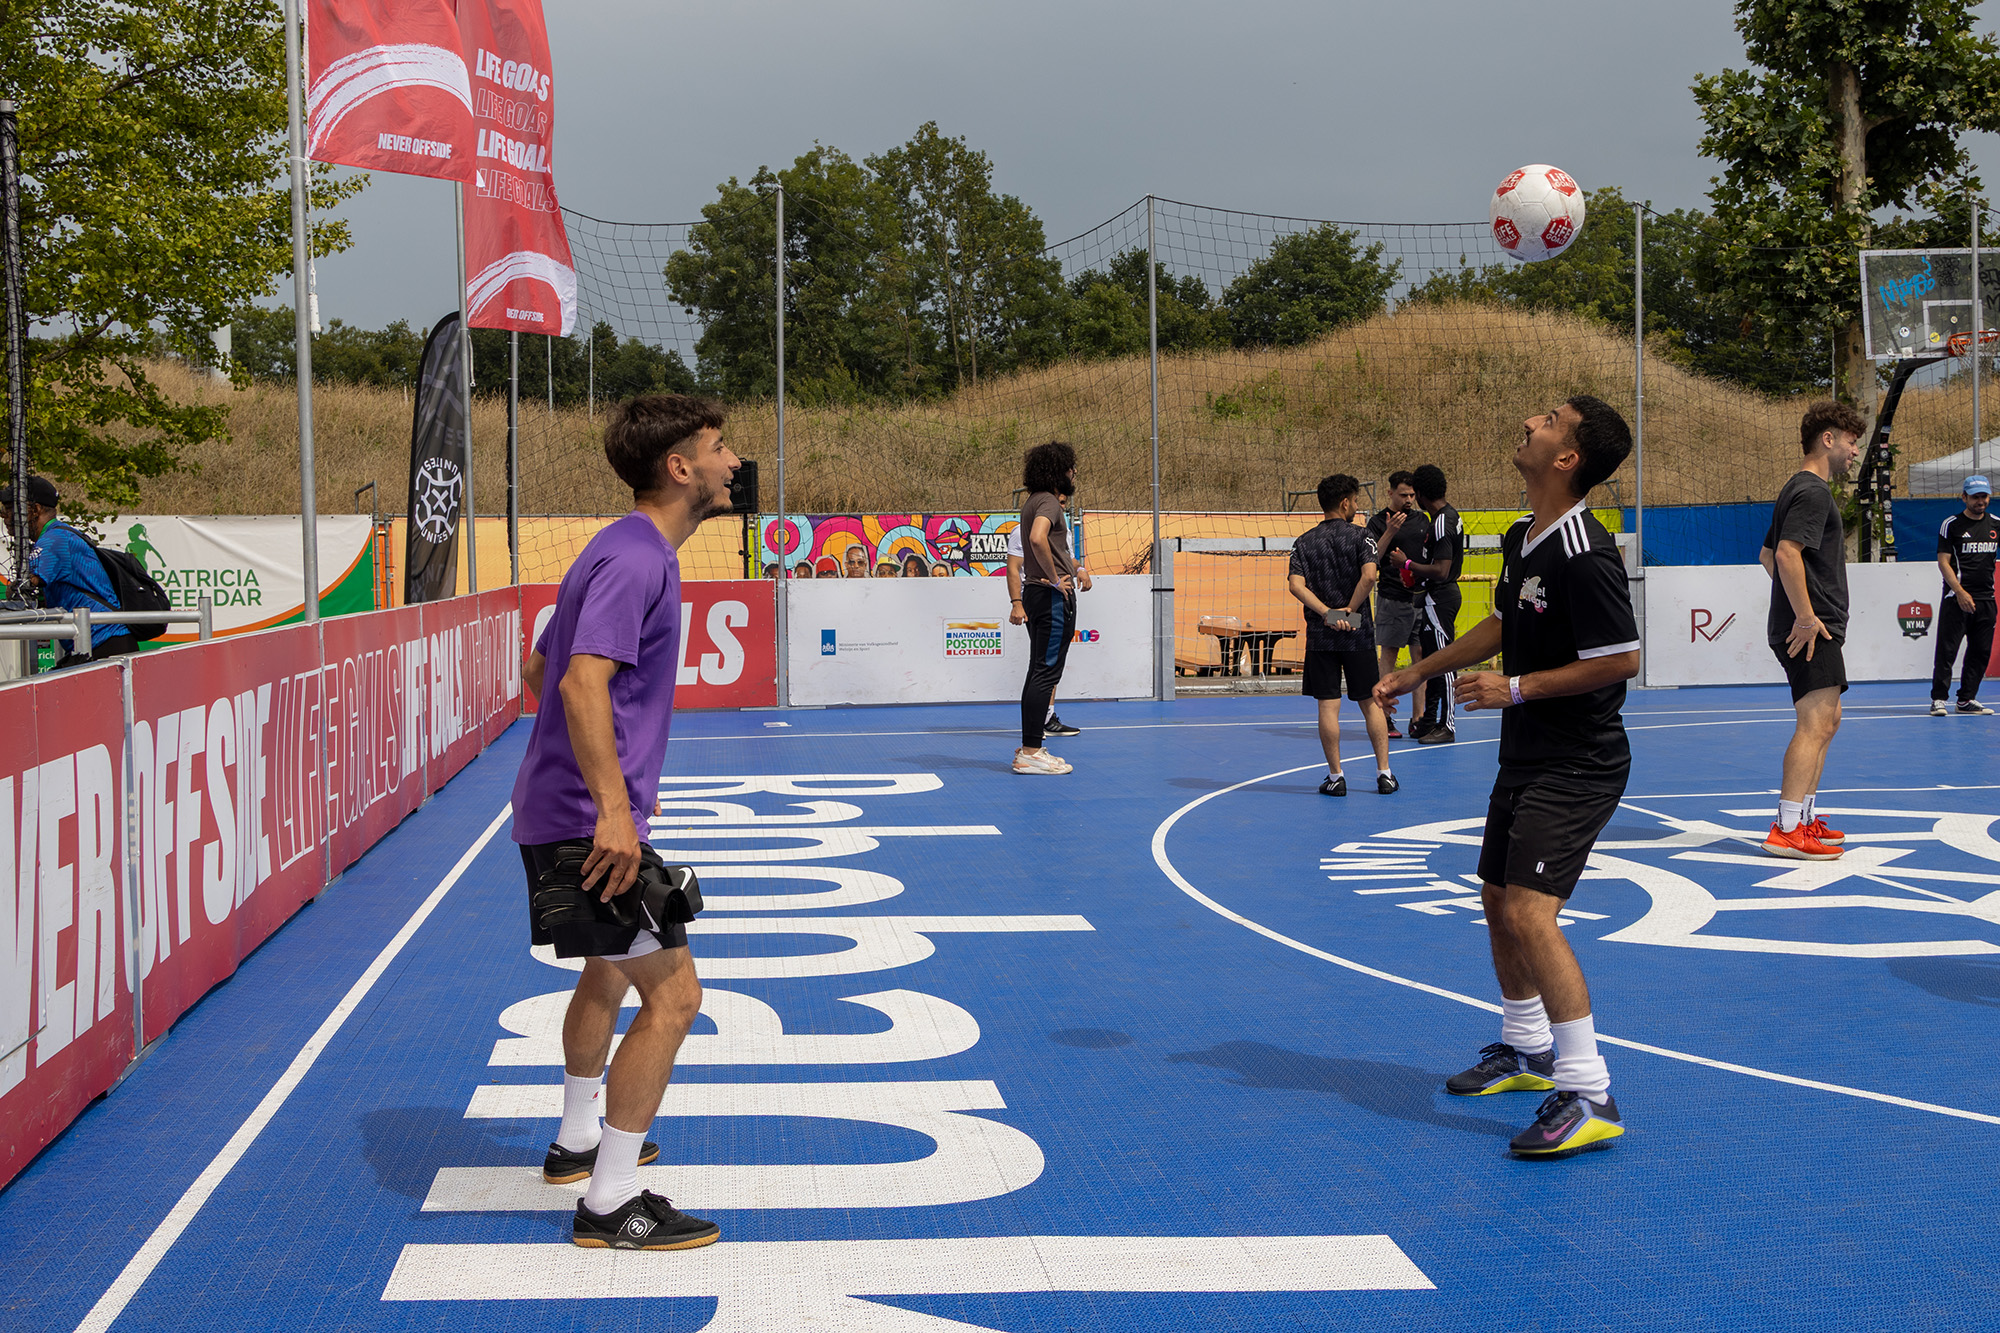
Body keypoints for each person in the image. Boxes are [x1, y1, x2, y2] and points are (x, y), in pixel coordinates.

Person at [1375, 396, 1640, 1159]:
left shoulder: (1587, 550)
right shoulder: (1526, 534)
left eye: (1550, 420)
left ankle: (1589, 1090)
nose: (1529, 419)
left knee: (1530, 911)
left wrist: (1514, 688)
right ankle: (1526, 1047)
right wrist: (1417, 670)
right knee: (1495, 898)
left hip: (1579, 759)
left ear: (1568, 458)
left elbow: (1620, 658)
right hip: (1528, 751)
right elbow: (1502, 621)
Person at [512, 394, 739, 1251]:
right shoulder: (640, 557)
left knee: (608, 976)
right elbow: (574, 684)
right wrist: (610, 805)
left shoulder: (615, 548)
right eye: (720, 448)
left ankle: (576, 1145)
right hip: (585, 825)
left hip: (567, 812)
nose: (732, 461)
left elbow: (540, 665)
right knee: (676, 997)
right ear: (680, 468)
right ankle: (610, 1202)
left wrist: (596, 782)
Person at [1758, 400, 1866, 861]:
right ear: (1828, 439)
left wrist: (1798, 608)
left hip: (1813, 625)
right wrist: (1804, 615)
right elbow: (1784, 555)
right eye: (1851, 441)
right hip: (1810, 629)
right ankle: (1786, 829)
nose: (1855, 451)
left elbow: (1766, 555)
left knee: (1829, 721)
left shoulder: (1797, 489)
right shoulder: (1814, 491)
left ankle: (1803, 818)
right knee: (1815, 723)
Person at [1288, 473, 1396, 796]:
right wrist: (1349, 610)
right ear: (1345, 503)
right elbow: (1370, 576)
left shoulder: (1304, 542)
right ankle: (1384, 774)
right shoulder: (1362, 536)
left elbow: (1295, 585)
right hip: (1358, 633)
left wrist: (1327, 614)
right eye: (1356, 500)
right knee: (1370, 703)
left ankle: (1336, 777)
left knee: (1327, 707)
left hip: (1322, 636)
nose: (1357, 506)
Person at [0, 474, 135, 668]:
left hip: (104, 645)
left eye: (9, 509)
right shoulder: (60, 533)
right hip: (100, 642)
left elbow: (24, 587)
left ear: (35, 510)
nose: (4, 516)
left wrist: (15, 590)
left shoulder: (54, 540)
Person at [1015, 440, 1089, 774]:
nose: (1074, 473)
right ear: (1059, 470)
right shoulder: (1048, 502)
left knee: (1038, 672)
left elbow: (1045, 545)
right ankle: (1031, 751)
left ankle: (1031, 748)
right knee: (1045, 673)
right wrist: (1057, 580)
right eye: (1071, 467)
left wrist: (1073, 569)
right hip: (1049, 596)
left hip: (1037, 593)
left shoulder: (1033, 501)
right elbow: (1036, 538)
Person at [1365, 472, 1431, 738]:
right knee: (1389, 656)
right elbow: (1372, 557)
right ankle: (1384, 717)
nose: (1409, 500)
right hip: (1392, 598)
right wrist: (1390, 531)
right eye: (1403, 495)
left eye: (1412, 495)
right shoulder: (1378, 522)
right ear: (1390, 493)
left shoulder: (1422, 520)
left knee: (1421, 659)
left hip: (1420, 598)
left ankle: (1419, 718)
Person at [1406, 464, 1467, 745]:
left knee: (1445, 663)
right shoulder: (1445, 517)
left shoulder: (1443, 520)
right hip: (1434, 597)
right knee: (1432, 663)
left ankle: (1449, 725)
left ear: (1419, 494)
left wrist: (1407, 564)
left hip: (1440, 598)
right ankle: (1429, 721)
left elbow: (1442, 570)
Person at [1007, 519, 1081, 738]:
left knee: (1049, 663)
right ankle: (1033, 737)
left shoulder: (1062, 528)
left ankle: (1045, 718)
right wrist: (1016, 602)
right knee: (1044, 667)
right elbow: (1013, 568)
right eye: (1056, 500)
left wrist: (1081, 569)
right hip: (1042, 598)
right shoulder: (1024, 530)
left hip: (1056, 596)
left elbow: (1066, 559)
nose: (1060, 506)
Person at [1930, 474, 1996, 717]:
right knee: (1947, 650)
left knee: (1981, 651)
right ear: (1964, 497)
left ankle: (1966, 699)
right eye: (1975, 496)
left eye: (1984, 496)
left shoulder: (1996, 524)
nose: (1980, 501)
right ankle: (1939, 699)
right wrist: (1959, 591)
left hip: (1987, 600)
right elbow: (1943, 562)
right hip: (1956, 599)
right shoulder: (1951, 525)